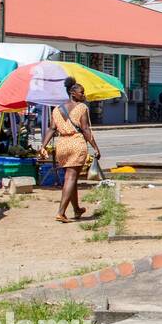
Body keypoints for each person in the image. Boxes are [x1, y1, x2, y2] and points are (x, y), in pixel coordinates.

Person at [39, 77, 101, 223]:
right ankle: (61, 212)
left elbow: (51, 129)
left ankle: (77, 209)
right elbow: (85, 129)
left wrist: (43, 146)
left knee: (71, 178)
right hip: (76, 143)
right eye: (81, 93)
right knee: (71, 178)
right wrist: (95, 147)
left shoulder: (56, 109)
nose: (83, 95)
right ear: (73, 93)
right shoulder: (81, 108)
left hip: (62, 145)